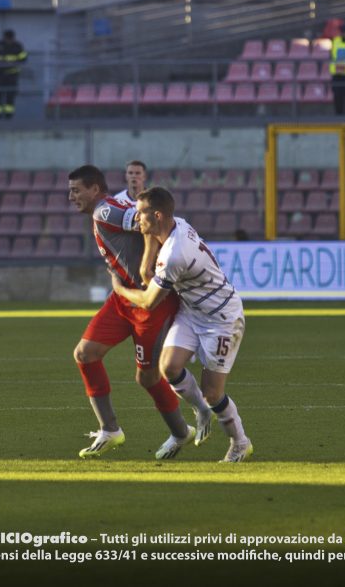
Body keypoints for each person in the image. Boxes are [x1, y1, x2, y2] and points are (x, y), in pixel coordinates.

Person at [110, 187, 252, 463]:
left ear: (158, 215)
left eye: (141, 214)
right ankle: (201, 409)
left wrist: (120, 290)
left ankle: (240, 443)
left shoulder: (175, 255)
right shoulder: (177, 224)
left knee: (213, 392)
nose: (137, 220)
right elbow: (151, 238)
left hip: (222, 318)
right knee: (170, 367)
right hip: (192, 310)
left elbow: (149, 301)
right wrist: (144, 267)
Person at [68, 165, 194, 460]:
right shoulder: (106, 210)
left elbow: (148, 222)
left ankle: (181, 432)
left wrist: (145, 266)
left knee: (147, 378)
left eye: (76, 190)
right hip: (122, 299)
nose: (71, 196)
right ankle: (110, 430)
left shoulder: (105, 211)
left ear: (94, 190)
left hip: (149, 304)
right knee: (85, 354)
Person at [0, 30, 28, 119]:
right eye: (7, 39)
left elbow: (24, 58)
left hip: (12, 75)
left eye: (10, 39)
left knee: (10, 96)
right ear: (4, 37)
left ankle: (8, 116)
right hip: (0, 74)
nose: (9, 41)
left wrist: (13, 62)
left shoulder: (18, 46)